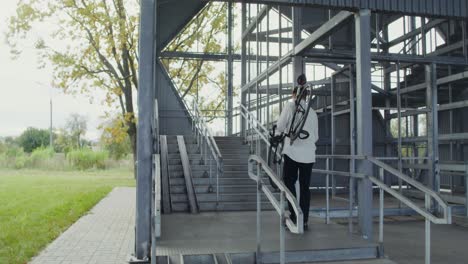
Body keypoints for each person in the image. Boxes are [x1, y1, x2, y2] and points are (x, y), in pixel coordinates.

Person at [276, 74, 319, 231]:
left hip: (292, 151)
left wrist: (279, 133)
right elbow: (316, 137)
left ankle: (294, 215)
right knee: (305, 187)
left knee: (289, 182)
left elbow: (280, 126)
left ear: (294, 94)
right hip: (309, 155)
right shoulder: (312, 112)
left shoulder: (290, 105)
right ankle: (305, 220)